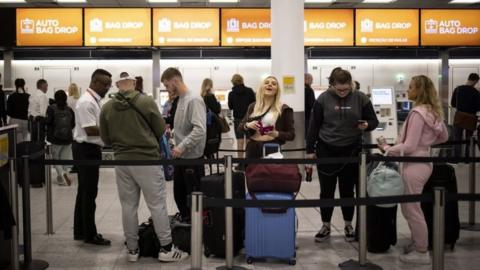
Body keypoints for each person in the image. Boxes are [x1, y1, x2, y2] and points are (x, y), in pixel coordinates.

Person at [100, 72, 188, 262]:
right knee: (157, 205)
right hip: (147, 160)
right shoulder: (146, 102)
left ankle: (132, 250)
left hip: (122, 161)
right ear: (133, 83)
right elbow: (160, 129)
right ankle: (166, 248)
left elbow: (105, 138)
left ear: (117, 85)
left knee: (128, 206)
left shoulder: (107, 107)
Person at [378, 75, 448, 264]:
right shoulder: (432, 111)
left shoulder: (417, 113)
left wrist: (387, 149)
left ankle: (422, 251)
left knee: (412, 209)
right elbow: (444, 137)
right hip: (424, 161)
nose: (407, 91)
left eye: (410, 87)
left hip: (414, 164)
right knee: (411, 207)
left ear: (419, 90)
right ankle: (418, 243)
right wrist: (427, 143)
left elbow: (408, 146)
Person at [306, 67, 378, 243]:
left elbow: (374, 121)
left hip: (351, 150)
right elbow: (313, 126)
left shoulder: (360, 98)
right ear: (331, 85)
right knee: (327, 191)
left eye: (346, 89)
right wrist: (310, 150)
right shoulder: (322, 99)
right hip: (326, 149)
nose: (343, 92)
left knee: (348, 191)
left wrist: (366, 125)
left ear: (351, 84)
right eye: (339, 89)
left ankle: (348, 224)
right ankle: (325, 225)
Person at [161, 67, 206, 223]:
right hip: (181, 157)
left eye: (167, 85)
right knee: (179, 195)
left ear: (175, 81)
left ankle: (196, 232)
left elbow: (200, 129)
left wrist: (182, 146)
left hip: (191, 158)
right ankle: (187, 228)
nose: (167, 89)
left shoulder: (194, 99)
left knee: (192, 198)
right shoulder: (180, 99)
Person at [72, 69, 112, 246]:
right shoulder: (86, 102)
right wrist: (113, 130)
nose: (107, 88)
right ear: (95, 82)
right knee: (89, 193)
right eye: (105, 84)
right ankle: (90, 234)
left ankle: (81, 231)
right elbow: (90, 129)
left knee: (84, 192)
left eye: (109, 84)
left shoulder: (94, 100)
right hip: (86, 149)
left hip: (89, 149)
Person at [240, 76, 295, 158]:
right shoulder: (253, 106)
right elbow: (240, 127)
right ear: (262, 87)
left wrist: (276, 133)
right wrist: (248, 125)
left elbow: (291, 135)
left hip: (272, 148)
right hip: (252, 148)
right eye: (266, 83)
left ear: (277, 90)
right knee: (251, 171)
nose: (269, 85)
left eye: (273, 84)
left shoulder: (284, 109)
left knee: (271, 171)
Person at [45, 90, 75, 186]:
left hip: (55, 138)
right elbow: (73, 124)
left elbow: (48, 121)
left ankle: (61, 175)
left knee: (56, 158)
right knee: (65, 158)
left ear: (55, 98)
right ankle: (65, 173)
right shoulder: (69, 109)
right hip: (68, 138)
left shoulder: (51, 108)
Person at [450, 73, 480, 158]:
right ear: (476, 81)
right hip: (471, 118)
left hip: (459, 117)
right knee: (469, 140)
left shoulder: (458, 89)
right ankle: (467, 159)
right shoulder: (476, 92)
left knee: (457, 139)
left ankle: (456, 159)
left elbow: (453, 104)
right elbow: (478, 107)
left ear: (468, 78)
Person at [228, 74, 255, 161]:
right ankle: (248, 162)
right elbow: (254, 104)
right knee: (248, 141)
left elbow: (230, 106)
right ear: (242, 80)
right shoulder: (250, 91)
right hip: (249, 119)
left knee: (239, 141)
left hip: (238, 120)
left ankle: (240, 163)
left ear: (233, 82)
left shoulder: (231, 94)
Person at [201, 78, 222, 158]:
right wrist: (218, 103)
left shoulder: (201, 96)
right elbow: (217, 110)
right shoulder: (210, 96)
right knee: (214, 141)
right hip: (213, 123)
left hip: (205, 123)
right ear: (210, 85)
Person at [305, 73, 315, 137]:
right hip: (307, 116)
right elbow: (312, 104)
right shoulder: (309, 90)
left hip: (303, 115)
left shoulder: (301, 89)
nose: (312, 82)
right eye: (311, 80)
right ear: (307, 79)